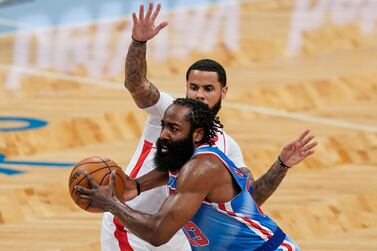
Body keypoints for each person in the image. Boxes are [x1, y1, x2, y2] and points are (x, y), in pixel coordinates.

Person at [101, 3, 316, 251]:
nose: (199, 95)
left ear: (223, 92)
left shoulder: (227, 147)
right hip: (133, 227)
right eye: (194, 87)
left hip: (180, 233)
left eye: (208, 89)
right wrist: (138, 43)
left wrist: (281, 165)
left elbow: (250, 200)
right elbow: (136, 84)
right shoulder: (171, 111)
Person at [76, 98, 317, 250]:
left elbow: (158, 233)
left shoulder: (201, 169)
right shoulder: (179, 161)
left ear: (198, 135)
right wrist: (119, 188)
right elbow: (132, 188)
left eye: (174, 128)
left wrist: (112, 204)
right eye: (163, 126)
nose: (164, 135)